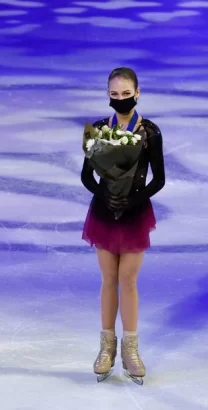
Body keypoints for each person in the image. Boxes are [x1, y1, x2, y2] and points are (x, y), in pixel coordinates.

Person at [81, 67, 165, 384]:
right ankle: (106, 347)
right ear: (108, 96)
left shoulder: (151, 132)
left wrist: (132, 200)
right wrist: (105, 193)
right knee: (108, 279)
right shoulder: (101, 129)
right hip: (104, 212)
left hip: (134, 212)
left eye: (125, 94)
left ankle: (130, 349)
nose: (119, 99)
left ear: (137, 93)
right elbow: (87, 176)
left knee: (127, 280)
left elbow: (160, 178)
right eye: (113, 95)